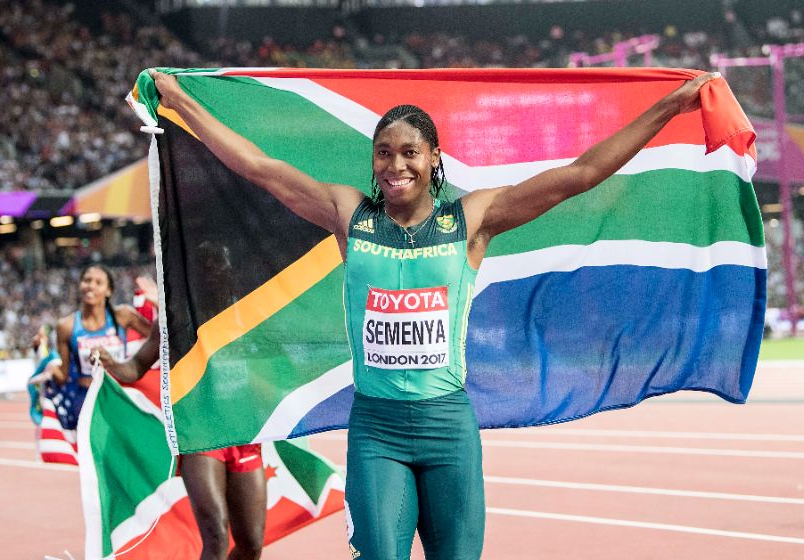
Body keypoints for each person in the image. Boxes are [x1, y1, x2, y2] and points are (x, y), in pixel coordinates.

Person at [149, 68, 718, 560]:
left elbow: (581, 175)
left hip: (448, 429)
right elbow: (257, 165)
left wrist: (668, 107)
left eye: (409, 152)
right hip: (376, 430)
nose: (395, 164)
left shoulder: (471, 220)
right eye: (384, 152)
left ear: (433, 158)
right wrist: (180, 102)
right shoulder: (349, 215)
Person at [96, 278, 267, 560]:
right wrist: (110, 363)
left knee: (251, 544)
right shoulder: (174, 313)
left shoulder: (249, 304)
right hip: (200, 433)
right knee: (216, 534)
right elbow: (137, 366)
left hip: (243, 432)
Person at [47, 264, 151, 431]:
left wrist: (157, 303)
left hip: (121, 395)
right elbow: (62, 377)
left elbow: (159, 338)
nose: (91, 286)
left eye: (98, 282)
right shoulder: (66, 326)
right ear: (80, 285)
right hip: (86, 399)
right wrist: (47, 362)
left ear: (109, 290)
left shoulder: (123, 316)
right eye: (87, 280)